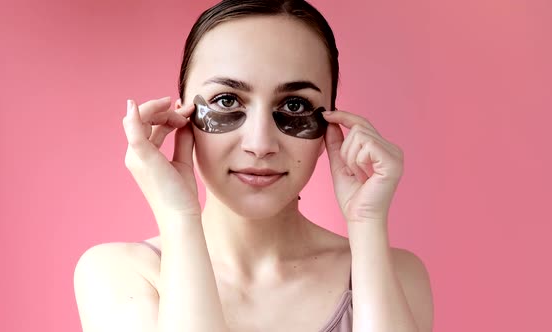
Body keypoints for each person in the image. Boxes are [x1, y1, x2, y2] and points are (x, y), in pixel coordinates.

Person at [73, 0, 434, 331]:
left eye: (294, 106)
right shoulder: (119, 274)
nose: (260, 145)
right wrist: (179, 218)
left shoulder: (397, 276)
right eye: (227, 100)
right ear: (183, 114)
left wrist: (367, 224)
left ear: (330, 121)